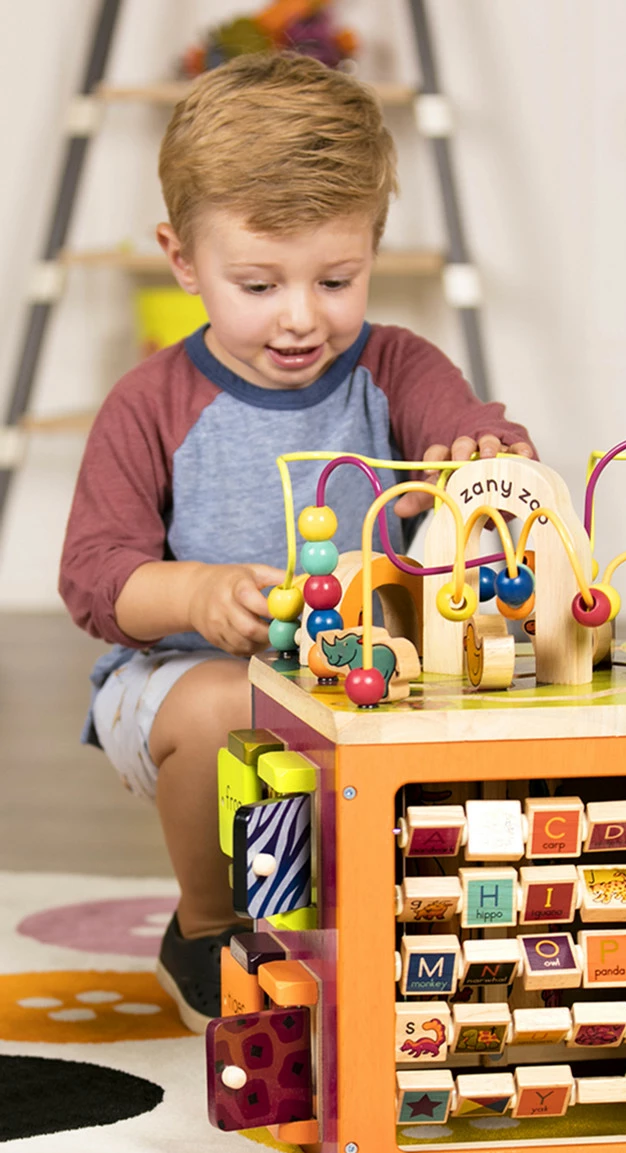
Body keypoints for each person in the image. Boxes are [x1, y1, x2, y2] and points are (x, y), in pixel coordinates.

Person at [59, 52, 536, 1033]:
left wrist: (482, 458)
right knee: (227, 699)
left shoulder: (397, 366)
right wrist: (195, 595)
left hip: (364, 677)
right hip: (180, 683)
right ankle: (205, 927)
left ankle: (411, 919)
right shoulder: (150, 402)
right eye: (258, 283)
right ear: (182, 260)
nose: (301, 316)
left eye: (336, 278)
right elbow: (95, 577)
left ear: (373, 247)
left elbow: (472, 433)